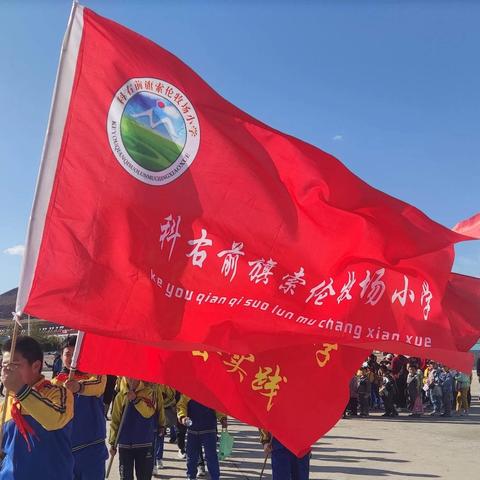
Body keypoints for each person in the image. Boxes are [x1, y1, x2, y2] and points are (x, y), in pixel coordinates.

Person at [0, 336, 74, 479]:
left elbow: (54, 420)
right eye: (4, 366)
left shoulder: (58, 393)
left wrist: (21, 391)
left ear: (35, 366)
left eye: (14, 365)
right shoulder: (6, 404)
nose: (7, 372)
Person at [51, 336, 108, 480]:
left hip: (92, 449)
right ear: (61, 356)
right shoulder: (55, 383)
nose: (71, 358)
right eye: (67, 354)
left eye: (75, 353)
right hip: (65, 452)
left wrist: (79, 387)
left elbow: (99, 385)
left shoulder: (95, 376)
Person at [109, 377, 157, 480]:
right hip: (125, 445)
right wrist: (113, 443)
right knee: (125, 476)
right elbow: (115, 421)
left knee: (144, 476)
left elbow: (149, 413)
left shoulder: (149, 393)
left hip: (145, 443)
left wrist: (136, 400)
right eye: (128, 377)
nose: (131, 380)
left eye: (134, 377)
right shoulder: (120, 397)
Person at [177, 395, 227, 480]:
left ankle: (215, 477)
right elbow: (181, 405)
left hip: (209, 431)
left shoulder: (211, 392)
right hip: (193, 432)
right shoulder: (188, 391)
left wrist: (222, 418)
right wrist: (183, 417)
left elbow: (218, 406)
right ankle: (191, 477)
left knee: (211, 457)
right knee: (191, 458)